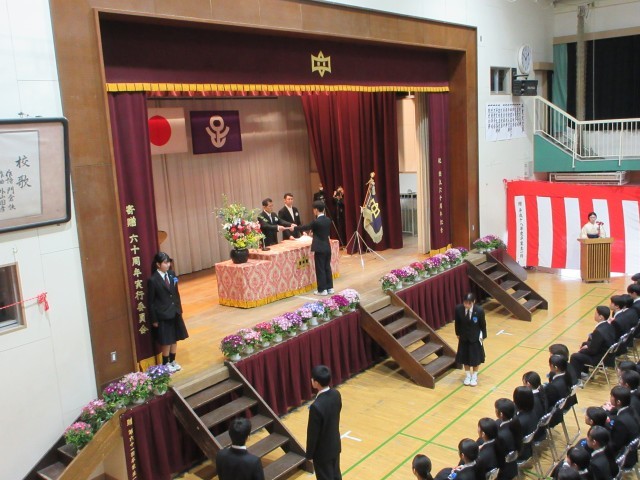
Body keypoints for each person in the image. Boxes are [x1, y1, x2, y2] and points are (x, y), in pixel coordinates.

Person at [147, 252, 188, 372]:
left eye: (168, 262)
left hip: (175, 311)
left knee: (175, 337)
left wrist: (179, 309)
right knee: (167, 340)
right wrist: (154, 319)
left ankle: (173, 360)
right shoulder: (153, 280)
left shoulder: (172, 274)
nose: (168, 265)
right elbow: (151, 302)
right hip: (163, 314)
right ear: (158, 264)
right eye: (165, 263)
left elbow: (176, 293)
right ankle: (165, 363)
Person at [306, 365, 342, 480]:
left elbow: (313, 434)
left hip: (322, 453)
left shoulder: (316, 407)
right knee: (336, 476)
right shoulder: (336, 394)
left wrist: (309, 454)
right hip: (335, 445)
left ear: (316, 383)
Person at [296, 201, 333, 296]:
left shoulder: (316, 221)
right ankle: (330, 288)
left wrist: (295, 227)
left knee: (320, 268)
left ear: (316, 210)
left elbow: (306, 227)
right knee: (327, 267)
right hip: (327, 247)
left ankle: (322, 290)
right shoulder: (328, 220)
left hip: (319, 248)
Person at [569, 306, 617, 378]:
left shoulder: (598, 331)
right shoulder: (609, 325)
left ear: (600, 317)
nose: (594, 315)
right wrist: (587, 346)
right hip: (607, 355)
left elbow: (592, 351)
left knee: (574, 356)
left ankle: (576, 378)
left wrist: (583, 350)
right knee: (585, 344)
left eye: (596, 313)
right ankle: (584, 371)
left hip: (599, 358)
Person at [454, 293, 487, 387]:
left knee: (475, 359)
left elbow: (483, 325)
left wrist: (483, 336)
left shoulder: (479, 310)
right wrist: (457, 334)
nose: (467, 305)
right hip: (464, 338)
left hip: (475, 338)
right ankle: (468, 376)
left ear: (473, 302)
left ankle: (474, 376)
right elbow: (457, 323)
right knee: (465, 358)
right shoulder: (458, 309)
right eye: (465, 303)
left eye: (469, 303)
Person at [607, 385, 640, 468]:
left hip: (623, 458)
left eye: (611, 396)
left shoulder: (620, 421)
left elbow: (615, 446)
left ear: (618, 402)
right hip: (631, 452)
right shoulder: (631, 409)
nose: (610, 398)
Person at [494, 398, 522, 480]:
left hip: (503, 470)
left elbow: (498, 455)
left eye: (496, 409)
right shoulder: (515, 422)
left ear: (501, 414)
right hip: (512, 464)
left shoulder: (502, 435)